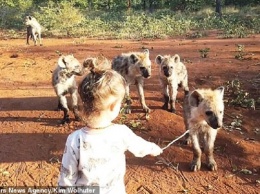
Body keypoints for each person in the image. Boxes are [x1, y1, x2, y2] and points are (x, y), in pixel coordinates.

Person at [58, 69, 163, 194]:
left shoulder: (74, 139)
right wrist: (154, 149)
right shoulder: (121, 133)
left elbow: (67, 179)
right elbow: (140, 147)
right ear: (113, 106)